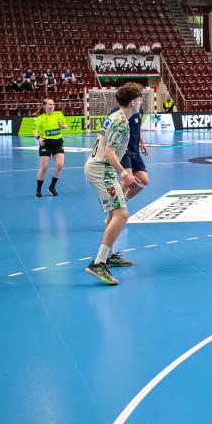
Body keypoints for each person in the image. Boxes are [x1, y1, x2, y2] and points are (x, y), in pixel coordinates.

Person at [82, 83, 143, 286]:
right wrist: (125, 174)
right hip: (101, 170)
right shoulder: (121, 122)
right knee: (122, 214)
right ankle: (98, 263)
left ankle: (107, 256)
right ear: (132, 102)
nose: (141, 102)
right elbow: (109, 152)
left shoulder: (116, 116)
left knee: (114, 214)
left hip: (100, 168)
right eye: (139, 99)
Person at [34, 98, 69, 197]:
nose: (52, 106)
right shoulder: (41, 118)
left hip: (58, 143)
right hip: (46, 144)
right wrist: (38, 138)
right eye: (49, 104)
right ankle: (38, 190)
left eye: (53, 104)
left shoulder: (59, 114)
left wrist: (63, 126)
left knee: (60, 165)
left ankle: (52, 187)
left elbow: (65, 125)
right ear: (44, 106)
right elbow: (35, 131)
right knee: (44, 167)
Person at [120, 101, 150, 201]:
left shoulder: (140, 110)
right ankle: (114, 207)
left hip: (135, 151)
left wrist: (143, 143)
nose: (140, 99)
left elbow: (138, 128)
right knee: (127, 181)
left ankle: (124, 200)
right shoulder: (120, 111)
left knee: (144, 181)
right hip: (124, 150)